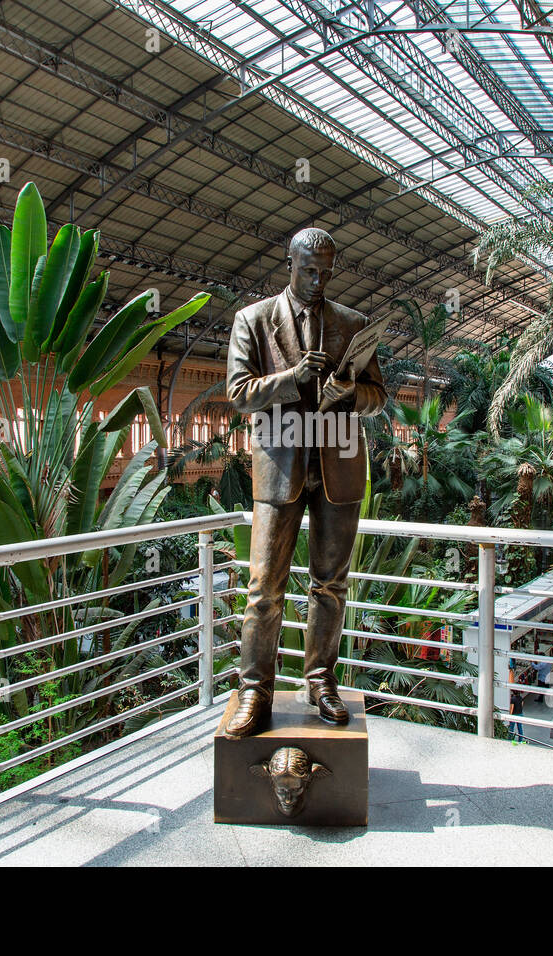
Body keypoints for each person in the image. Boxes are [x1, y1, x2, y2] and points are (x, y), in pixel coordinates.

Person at [223, 227, 387, 737]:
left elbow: (378, 396)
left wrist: (347, 392)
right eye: (309, 270)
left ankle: (320, 679)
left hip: (337, 464)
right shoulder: (253, 320)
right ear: (289, 263)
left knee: (331, 585)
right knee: (264, 587)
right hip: (280, 466)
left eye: (326, 271)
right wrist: (292, 378)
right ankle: (256, 690)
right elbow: (238, 393)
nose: (318, 280)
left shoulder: (351, 323)